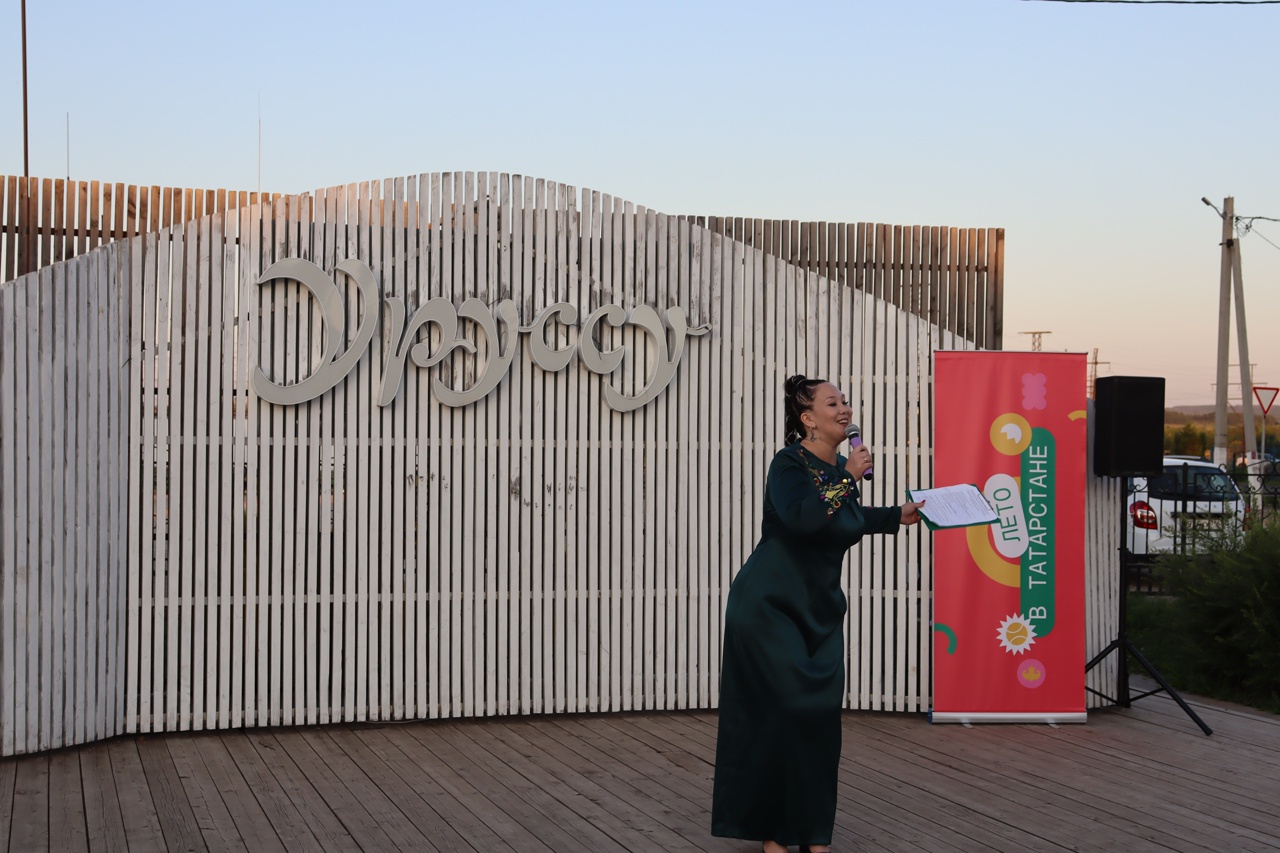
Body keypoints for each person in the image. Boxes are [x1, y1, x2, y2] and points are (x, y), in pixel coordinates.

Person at [711, 375, 925, 853]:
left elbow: (846, 519)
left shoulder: (839, 472)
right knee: (784, 715)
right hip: (770, 607)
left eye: (845, 401)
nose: (844, 409)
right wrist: (848, 477)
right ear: (808, 418)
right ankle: (774, 833)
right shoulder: (789, 464)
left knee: (819, 722)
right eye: (832, 403)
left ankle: (812, 833)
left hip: (820, 612)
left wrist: (896, 514)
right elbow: (804, 517)